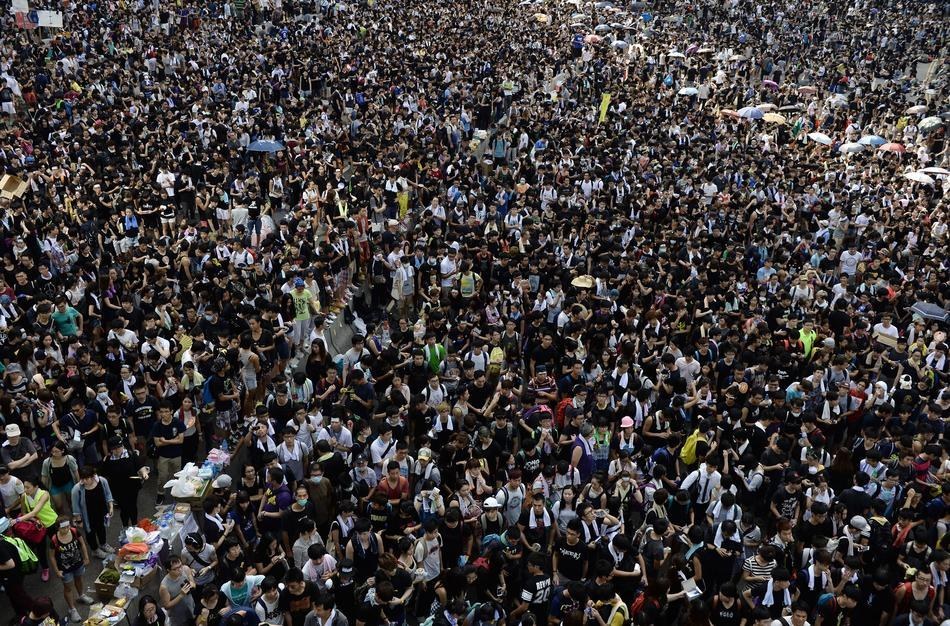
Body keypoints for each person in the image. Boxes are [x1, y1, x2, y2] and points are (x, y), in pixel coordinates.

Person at [48, 516, 92, 623]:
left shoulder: (74, 532)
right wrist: (57, 571)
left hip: (78, 564)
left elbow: (82, 544)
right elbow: (52, 556)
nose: (66, 529)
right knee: (68, 587)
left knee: (79, 579)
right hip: (65, 569)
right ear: (58, 528)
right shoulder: (54, 540)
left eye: (68, 526)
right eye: (63, 528)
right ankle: (72, 609)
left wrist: (86, 557)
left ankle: (81, 595)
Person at [69, 466, 115, 558]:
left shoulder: (102, 481)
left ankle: (103, 544)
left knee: (102, 528)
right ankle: (95, 550)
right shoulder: (76, 489)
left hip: (101, 511)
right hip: (88, 516)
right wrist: (79, 520)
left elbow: (108, 493)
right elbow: (75, 507)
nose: (84, 481)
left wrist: (111, 507)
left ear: (93, 476)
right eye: (83, 478)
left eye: (87, 478)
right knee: (90, 532)